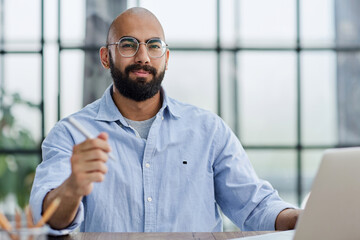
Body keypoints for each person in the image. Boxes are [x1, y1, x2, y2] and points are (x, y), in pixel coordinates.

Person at [30, 7, 300, 234]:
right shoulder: (71, 134)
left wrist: (306, 219)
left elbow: (255, 207)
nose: (143, 57)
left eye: (154, 45)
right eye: (128, 44)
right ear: (105, 57)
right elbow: (49, 221)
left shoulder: (208, 131)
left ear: (166, 58)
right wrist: (73, 186)